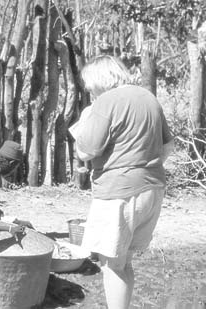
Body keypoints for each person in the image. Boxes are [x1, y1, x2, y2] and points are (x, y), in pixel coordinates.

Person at [70, 55, 174, 309]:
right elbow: (167, 147)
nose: (90, 91)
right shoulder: (148, 97)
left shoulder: (106, 102)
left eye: (90, 86)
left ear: (98, 80)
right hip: (152, 188)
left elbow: (87, 151)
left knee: (111, 264)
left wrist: (83, 126)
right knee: (123, 261)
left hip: (119, 192)